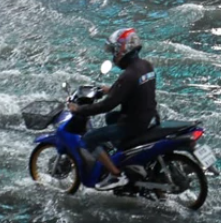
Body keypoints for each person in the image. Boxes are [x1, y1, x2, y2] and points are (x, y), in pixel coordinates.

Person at [67, 29, 159, 190]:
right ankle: (128, 158)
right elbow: (137, 90)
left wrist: (79, 109)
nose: (114, 56)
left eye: (114, 51)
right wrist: (111, 89)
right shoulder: (146, 65)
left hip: (132, 124)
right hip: (150, 116)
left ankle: (116, 175)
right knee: (111, 118)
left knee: (89, 138)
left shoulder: (128, 75)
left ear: (122, 49)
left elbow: (105, 106)